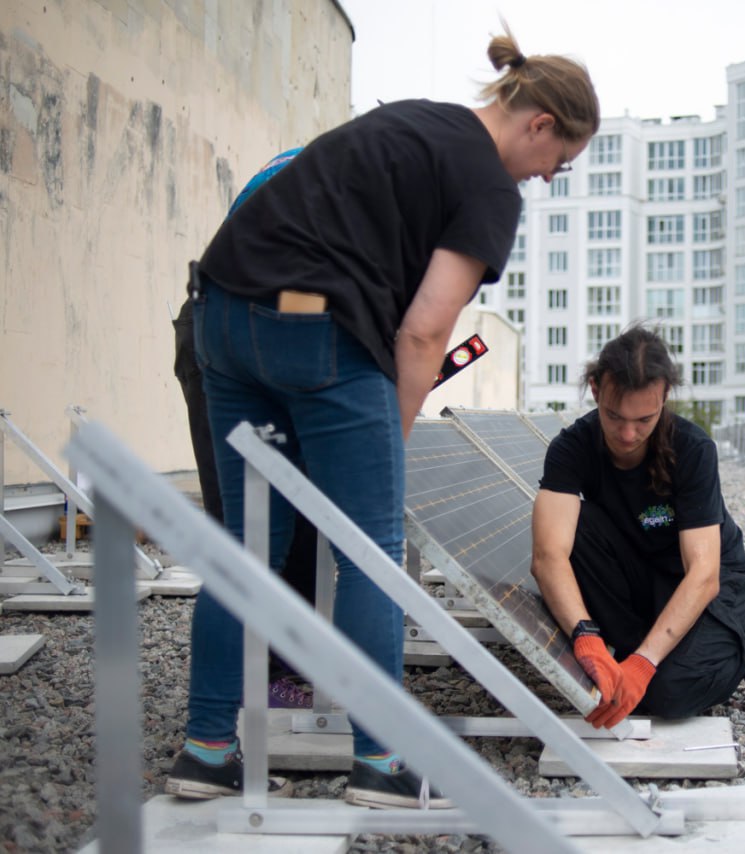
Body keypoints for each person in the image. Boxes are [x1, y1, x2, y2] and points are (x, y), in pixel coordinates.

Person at [166, 26, 599, 809]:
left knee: (247, 547)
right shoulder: (489, 185)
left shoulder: (413, 118)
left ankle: (205, 751)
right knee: (369, 549)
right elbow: (426, 332)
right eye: (557, 163)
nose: (546, 178)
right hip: (317, 332)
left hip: (219, 320)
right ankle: (382, 761)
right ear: (539, 124)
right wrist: (387, 441)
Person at [530, 325, 745, 731]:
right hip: (640, 575)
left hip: (712, 586)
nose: (627, 434)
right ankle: (649, 646)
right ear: (596, 390)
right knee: (571, 525)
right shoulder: (572, 447)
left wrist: (644, 662)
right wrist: (585, 637)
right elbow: (548, 556)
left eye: (644, 419)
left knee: (667, 695)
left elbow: (703, 574)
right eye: (614, 416)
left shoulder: (691, 448)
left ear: (665, 394)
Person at [172, 147, 318, 711]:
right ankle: (253, 680)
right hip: (237, 330)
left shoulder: (327, 167)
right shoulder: (348, 189)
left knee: (296, 510)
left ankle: (287, 659)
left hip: (256, 322)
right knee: (252, 518)